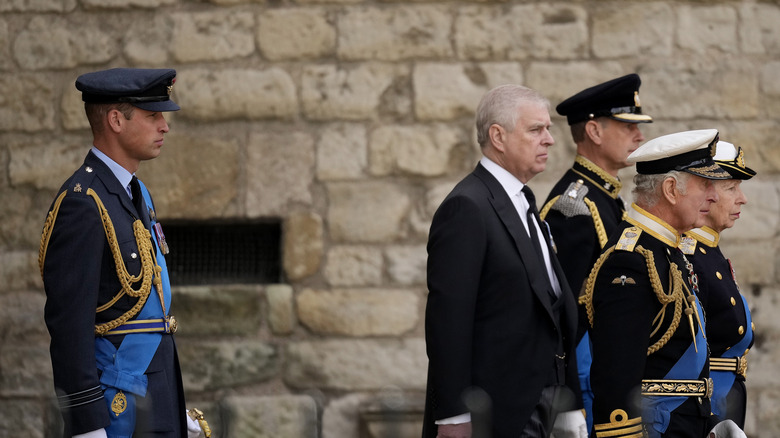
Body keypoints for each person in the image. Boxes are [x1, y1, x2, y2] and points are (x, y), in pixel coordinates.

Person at [38, 68, 207, 438]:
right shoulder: (82, 203)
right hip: (117, 413)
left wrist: (172, 409)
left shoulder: (138, 193)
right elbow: (69, 328)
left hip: (153, 403)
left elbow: (151, 317)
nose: (164, 126)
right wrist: (87, 427)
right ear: (116, 120)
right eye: (153, 116)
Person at [422, 84, 586, 438]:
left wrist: (569, 401)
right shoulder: (467, 206)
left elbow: (553, 312)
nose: (549, 140)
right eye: (535, 129)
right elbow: (448, 320)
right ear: (498, 136)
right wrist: (453, 416)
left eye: (548, 129)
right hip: (499, 412)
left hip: (547, 404)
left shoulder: (523, 201)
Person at [581, 129, 746, 438]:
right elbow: (617, 380)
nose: (712, 196)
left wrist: (711, 423)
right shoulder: (630, 260)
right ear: (671, 189)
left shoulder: (666, 250)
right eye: (705, 185)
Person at [540, 73, 653, 432]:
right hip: (587, 384)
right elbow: (560, 318)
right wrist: (567, 399)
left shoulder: (606, 200)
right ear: (594, 131)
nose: (640, 136)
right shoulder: (573, 207)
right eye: (627, 126)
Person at [679, 141, 756, 428]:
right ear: (706, 193)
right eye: (732, 188)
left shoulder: (709, 251)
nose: (743, 199)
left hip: (725, 394)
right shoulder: (688, 256)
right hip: (708, 399)